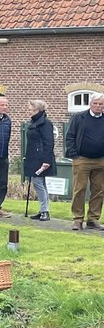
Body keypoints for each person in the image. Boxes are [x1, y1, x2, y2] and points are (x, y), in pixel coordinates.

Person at [66, 92, 104, 231]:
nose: (98, 106)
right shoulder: (79, 117)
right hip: (82, 159)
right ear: (90, 104)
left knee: (99, 190)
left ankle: (93, 219)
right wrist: (74, 155)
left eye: (101, 104)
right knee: (79, 189)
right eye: (95, 103)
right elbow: (70, 136)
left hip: (101, 160)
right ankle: (77, 219)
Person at [23, 100, 57, 222]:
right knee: (40, 183)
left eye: (30, 109)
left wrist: (47, 160)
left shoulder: (45, 123)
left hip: (41, 158)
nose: (29, 110)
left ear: (37, 109)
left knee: (38, 183)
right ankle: (43, 209)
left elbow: (49, 142)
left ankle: (45, 211)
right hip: (33, 156)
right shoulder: (34, 121)